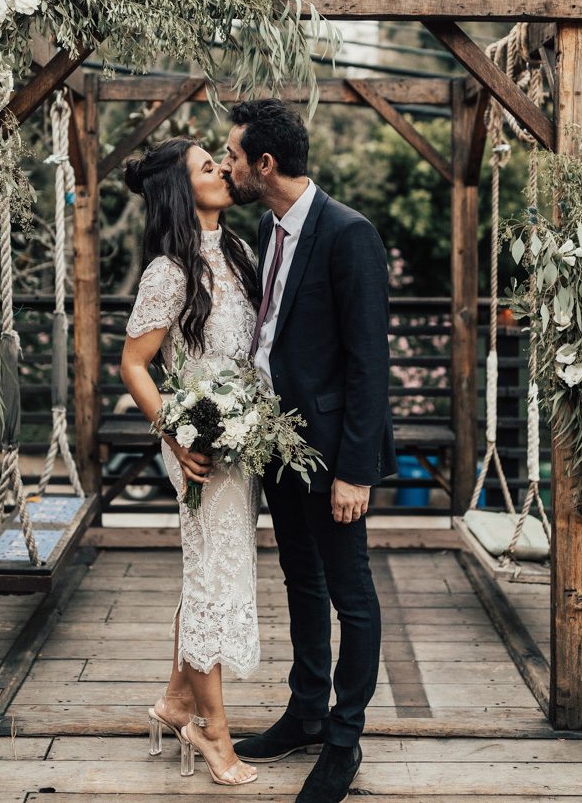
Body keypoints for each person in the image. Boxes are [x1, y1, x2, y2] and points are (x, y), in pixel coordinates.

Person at [220, 98, 395, 803]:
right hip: (276, 446)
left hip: (331, 456)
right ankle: (305, 712)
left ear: (265, 164)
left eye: (232, 155)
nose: (227, 165)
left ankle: (344, 737)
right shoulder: (267, 229)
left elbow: (368, 363)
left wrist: (355, 470)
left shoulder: (349, 234)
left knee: (350, 593)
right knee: (300, 579)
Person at [120, 137, 260, 787]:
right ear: (182, 188)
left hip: (244, 441)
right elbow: (134, 364)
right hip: (197, 446)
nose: (225, 171)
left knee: (213, 571)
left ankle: (177, 702)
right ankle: (211, 731)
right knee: (211, 576)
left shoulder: (239, 251)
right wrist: (175, 435)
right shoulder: (168, 270)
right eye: (209, 167)